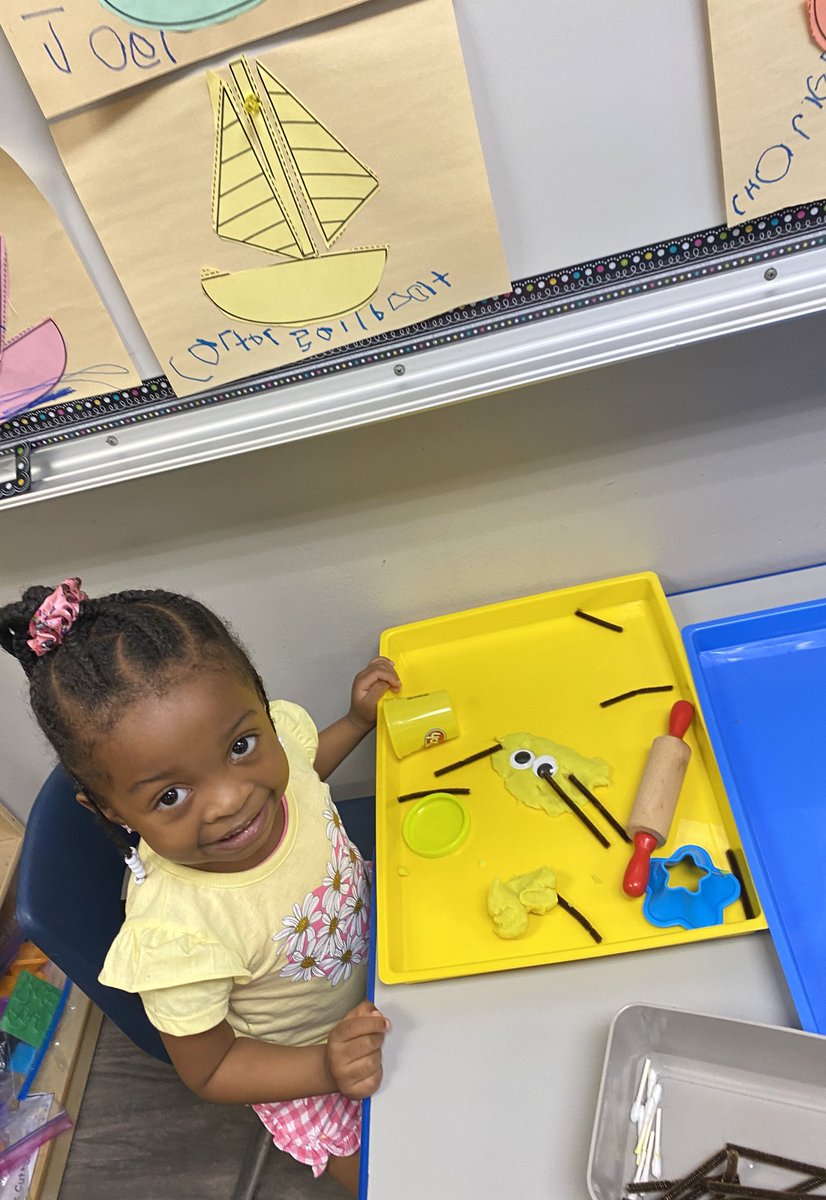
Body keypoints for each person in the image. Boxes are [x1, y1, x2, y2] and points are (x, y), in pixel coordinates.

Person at [0, 578, 401, 1195]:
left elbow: (301, 776)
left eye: (241, 746)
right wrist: (325, 1065)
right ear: (112, 812)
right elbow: (211, 1070)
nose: (232, 802)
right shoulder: (177, 937)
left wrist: (354, 722)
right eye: (171, 795)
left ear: (262, 710)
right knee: (398, 1168)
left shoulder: (273, 764)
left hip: (387, 953)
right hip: (307, 1059)